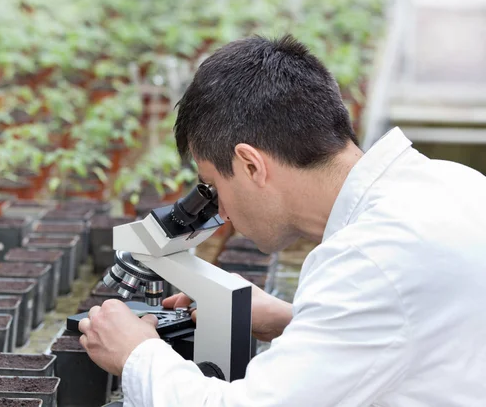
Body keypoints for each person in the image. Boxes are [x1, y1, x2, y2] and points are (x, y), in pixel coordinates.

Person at [78, 34, 486, 406]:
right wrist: (298, 320)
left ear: (251, 165)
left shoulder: (371, 260)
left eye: (213, 185)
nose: (219, 212)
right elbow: (412, 331)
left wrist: (136, 354)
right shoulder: (452, 182)